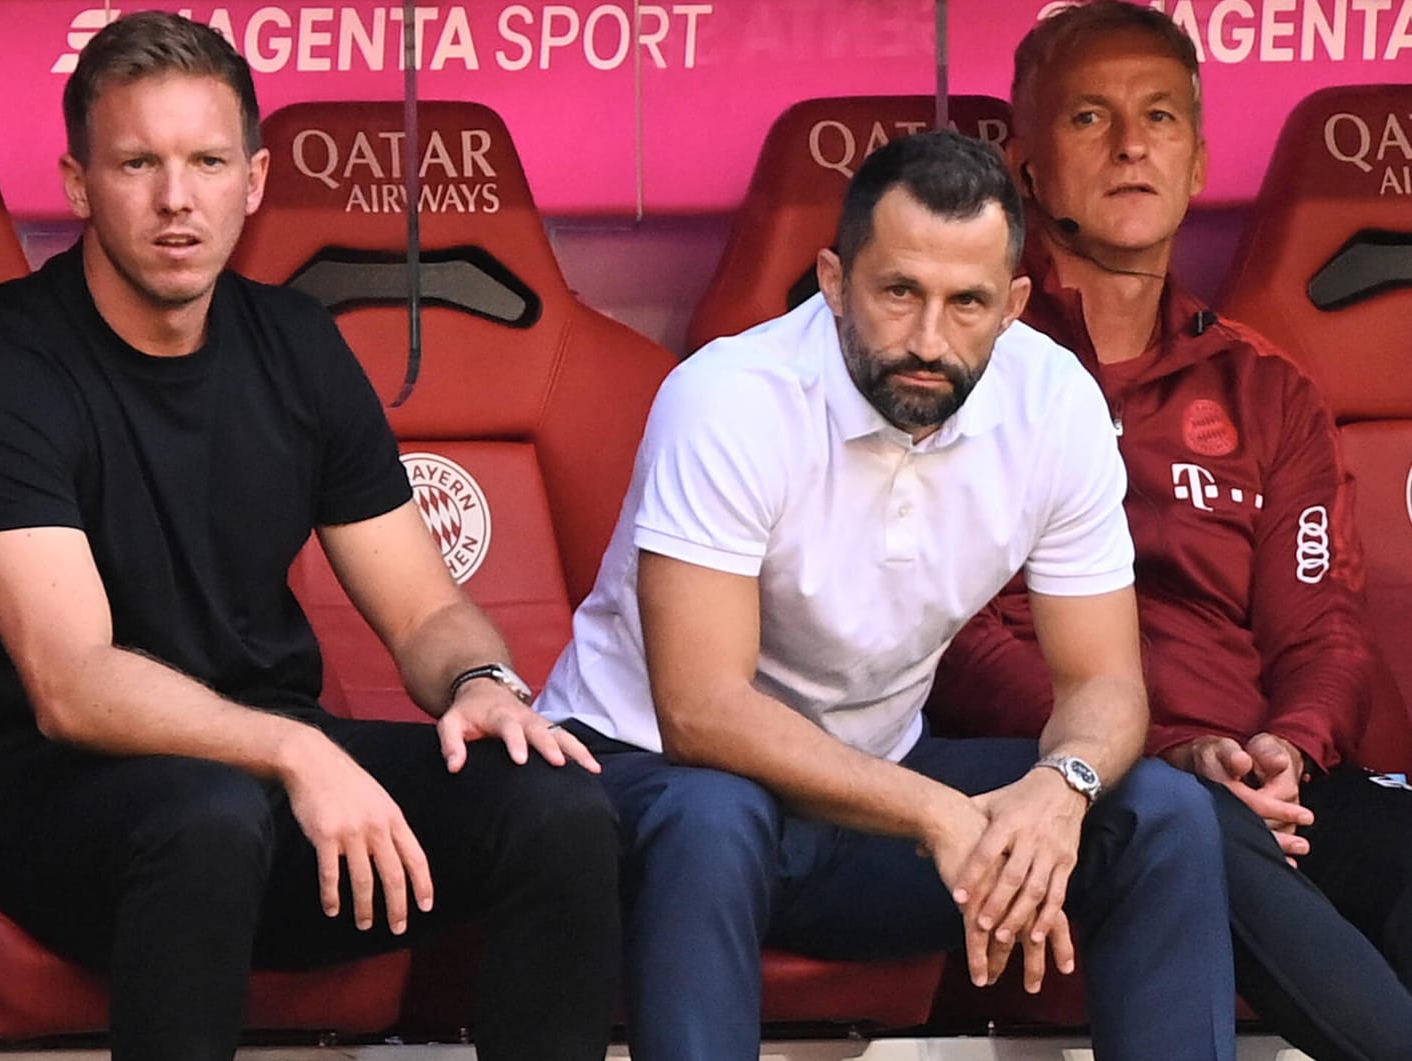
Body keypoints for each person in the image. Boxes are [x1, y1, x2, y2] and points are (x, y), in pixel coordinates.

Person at [0, 12, 619, 1061]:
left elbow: (420, 606)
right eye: (137, 163)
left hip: (258, 779)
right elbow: (73, 682)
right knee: (205, 820)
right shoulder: (3, 371)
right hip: (45, 799)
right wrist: (293, 747)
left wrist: (479, 681)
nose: (175, 199)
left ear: (255, 177)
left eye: (205, 161)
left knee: (556, 808)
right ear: (77, 181)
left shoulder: (294, 342)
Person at [537, 129, 1239, 1061]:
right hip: (643, 785)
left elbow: (1105, 684)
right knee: (714, 815)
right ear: (833, 280)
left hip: (867, 800)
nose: (926, 339)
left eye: (966, 304)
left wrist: (1055, 790)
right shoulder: (731, 397)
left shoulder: (1051, 401)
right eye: (898, 291)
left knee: (1158, 811)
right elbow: (701, 710)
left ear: (1014, 305)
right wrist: (936, 811)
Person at [928, 4, 1412, 1058]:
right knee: (1171, 816)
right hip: (1072, 773)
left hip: (1263, 782)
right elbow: (946, 631)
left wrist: (1289, 747)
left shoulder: (1265, 386)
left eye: (1159, 118)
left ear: (1197, 160)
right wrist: (1153, 748)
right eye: (1090, 118)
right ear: (1022, 163)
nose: (1132, 145)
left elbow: (1324, 628)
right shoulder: (963, 369)